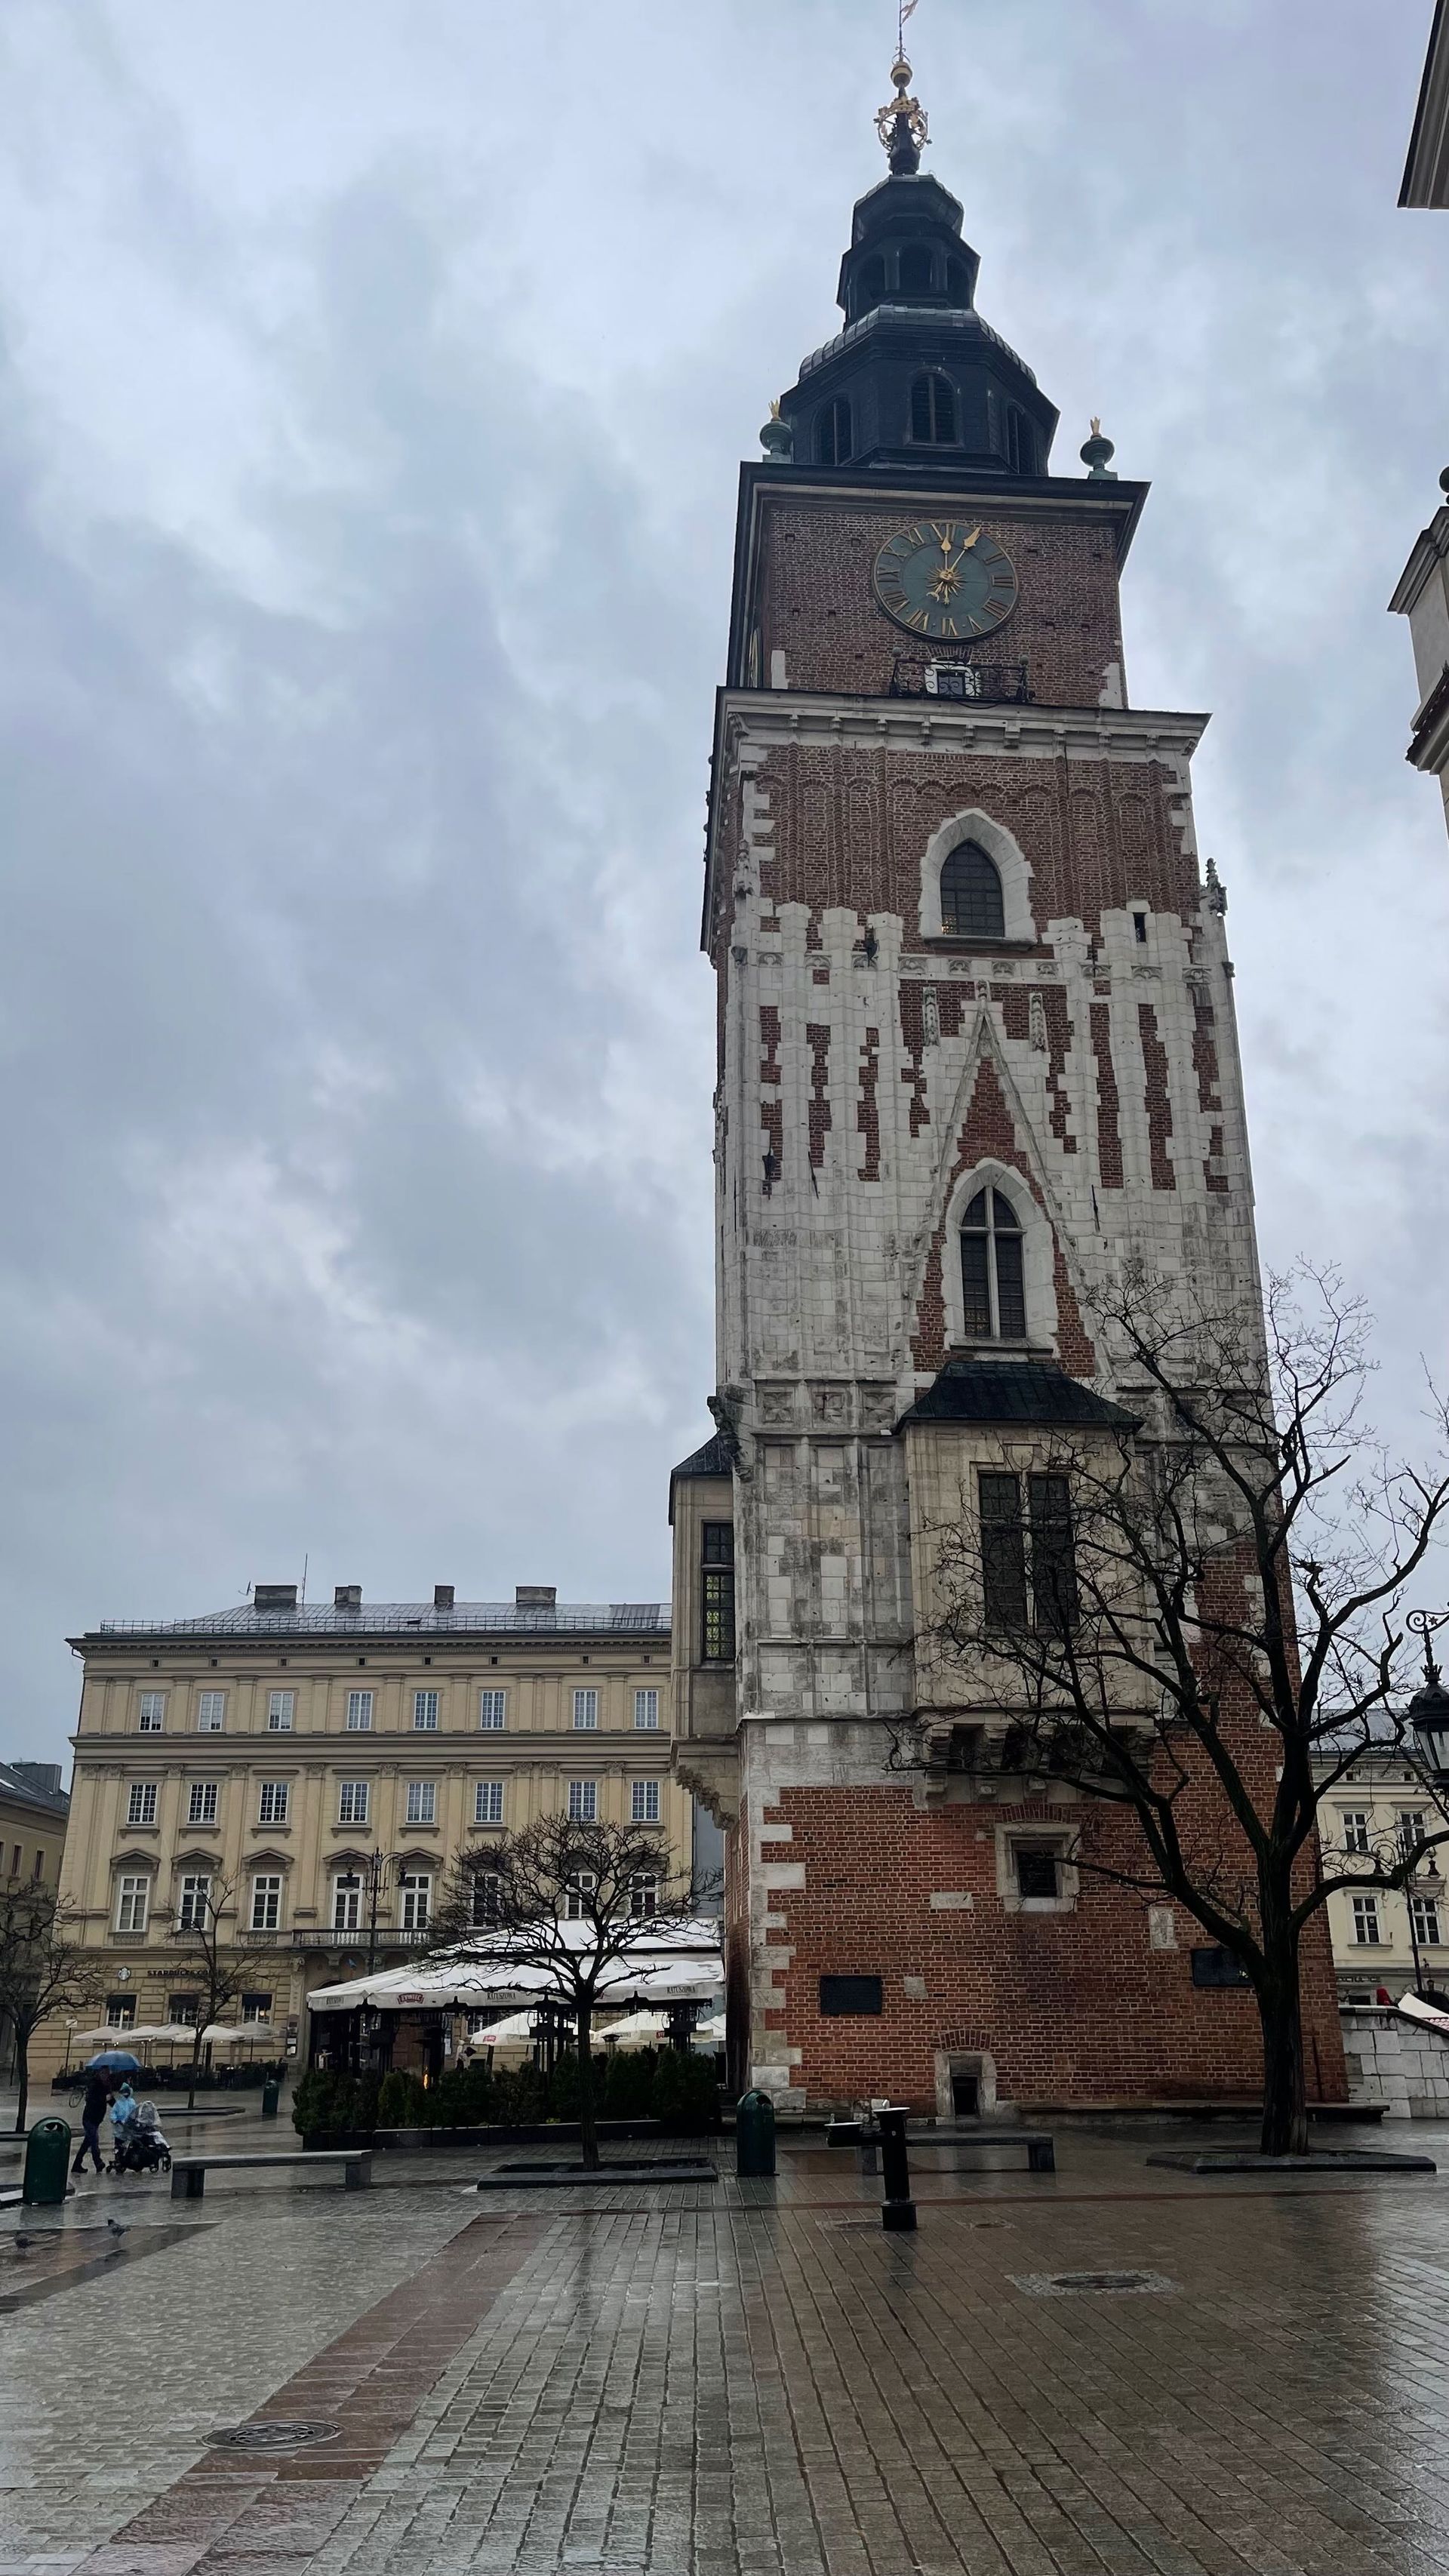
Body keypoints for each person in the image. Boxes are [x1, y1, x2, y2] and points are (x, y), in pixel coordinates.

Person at [71, 2067, 112, 2175]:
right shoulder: (94, 2085)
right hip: (89, 2118)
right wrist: (105, 2099)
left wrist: (120, 2108)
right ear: (99, 2073)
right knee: (94, 2140)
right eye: (103, 2073)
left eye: (107, 2073)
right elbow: (92, 2100)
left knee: (87, 2142)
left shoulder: (106, 2085)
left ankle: (76, 2164)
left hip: (97, 2119)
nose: (106, 2075)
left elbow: (111, 2100)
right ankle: (98, 2162)